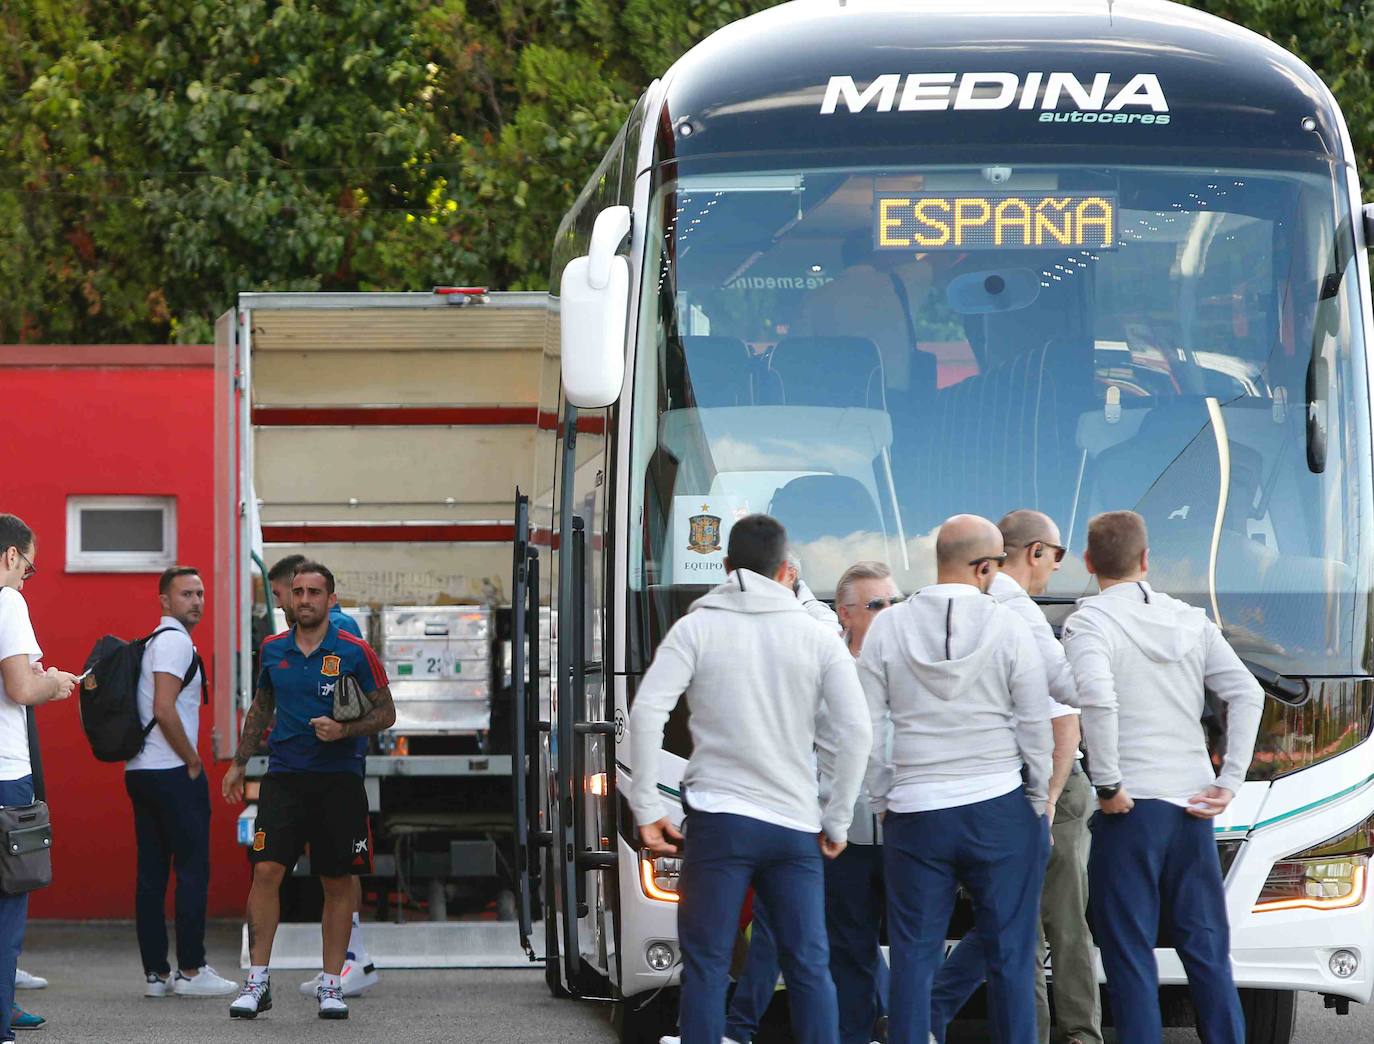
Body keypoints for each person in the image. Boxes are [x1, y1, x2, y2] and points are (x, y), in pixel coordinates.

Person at [630, 515, 871, 1044]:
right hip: (794, 827)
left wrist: (647, 807)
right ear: (787, 570)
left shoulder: (696, 627)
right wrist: (837, 817)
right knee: (809, 965)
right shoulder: (818, 636)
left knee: (707, 967)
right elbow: (854, 732)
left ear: (725, 566)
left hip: (719, 825)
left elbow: (647, 713)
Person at [1061, 511, 1263, 1044]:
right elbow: (1247, 693)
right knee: (1206, 947)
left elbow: (1097, 699)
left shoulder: (1089, 623)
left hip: (1129, 808)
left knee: (1129, 954)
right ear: (1146, 561)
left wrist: (1106, 783)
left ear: (1088, 563)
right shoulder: (1190, 620)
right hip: (1192, 806)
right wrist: (1230, 780)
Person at [860, 514, 1052, 1044]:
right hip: (998, 805)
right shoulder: (1009, 625)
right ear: (985, 565)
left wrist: (883, 796)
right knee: (1011, 954)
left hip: (915, 810)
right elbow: (1035, 721)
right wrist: (1036, 794)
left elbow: (870, 727)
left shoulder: (888, 627)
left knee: (914, 956)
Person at [929, 511, 1099, 1044]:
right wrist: (1047, 802)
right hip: (1048, 785)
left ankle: (1027, 1032)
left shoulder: (964, 606)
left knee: (1016, 927)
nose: (1058, 567)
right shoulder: (1018, 612)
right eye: (1057, 554)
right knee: (1063, 921)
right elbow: (1065, 721)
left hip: (993, 784)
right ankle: (1079, 1035)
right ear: (1034, 553)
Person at [713, 557, 899, 1044]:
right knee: (841, 945)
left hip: (906, 828)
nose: (891, 612)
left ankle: (907, 1024)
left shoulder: (916, 660)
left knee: (910, 947)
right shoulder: (817, 658)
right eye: (878, 604)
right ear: (847, 614)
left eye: (895, 602)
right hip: (835, 829)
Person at [221, 561, 396, 1021]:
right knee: (265, 872)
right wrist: (240, 763)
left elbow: (387, 714)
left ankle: (333, 984)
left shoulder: (355, 651)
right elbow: (262, 706)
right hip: (284, 778)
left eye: (314, 592)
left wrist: (344, 730)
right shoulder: (273, 649)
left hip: (338, 780)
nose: (304, 600)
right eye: (297, 592)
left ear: (330, 599)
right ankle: (257, 982)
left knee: (336, 881)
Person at [266, 556, 377, 999]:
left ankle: (352, 959)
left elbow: (362, 696)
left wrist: (342, 730)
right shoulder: (293, 640)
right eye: (290, 595)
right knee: (336, 867)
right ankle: (352, 957)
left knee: (339, 868)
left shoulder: (339, 629)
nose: (286, 605)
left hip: (333, 765)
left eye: (282, 595)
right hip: (319, 765)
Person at [123, 567, 235, 998]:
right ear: (165, 601)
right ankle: (191, 970)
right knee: (191, 871)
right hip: (171, 771)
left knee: (151, 875)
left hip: (141, 770)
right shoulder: (173, 642)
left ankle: (156, 975)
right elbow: (166, 709)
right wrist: (192, 760)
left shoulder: (155, 642)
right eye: (186, 594)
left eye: (201, 593)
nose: (197, 600)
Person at [0, 515, 76, 1044]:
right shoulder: (7, 601)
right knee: (8, 904)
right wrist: (54, 682)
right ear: (9, 557)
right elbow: (22, 688)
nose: (27, 579)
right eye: (28, 566)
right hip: (5, 776)